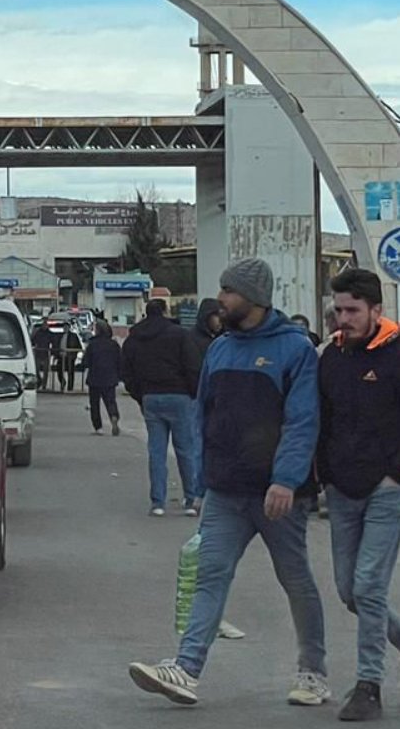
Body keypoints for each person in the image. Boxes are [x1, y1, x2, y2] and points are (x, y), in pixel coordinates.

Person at [129, 258, 328, 709]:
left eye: (228, 290)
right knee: (209, 576)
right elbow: (204, 414)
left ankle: (314, 673)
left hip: (277, 495)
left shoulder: (294, 348)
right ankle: (185, 668)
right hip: (224, 490)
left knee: (296, 581)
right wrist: (201, 476)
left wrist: (286, 479)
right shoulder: (220, 349)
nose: (220, 298)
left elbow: (302, 422)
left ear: (254, 298)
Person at [318, 268, 400, 721]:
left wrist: (395, 475)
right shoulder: (331, 356)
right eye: (339, 309)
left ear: (375, 310)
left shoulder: (396, 353)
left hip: (388, 491)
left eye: (352, 310)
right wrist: (320, 477)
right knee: (350, 591)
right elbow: (322, 421)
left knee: (369, 585)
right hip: (342, 490)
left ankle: (369, 685)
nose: (343, 319)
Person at [123, 296, 206, 517]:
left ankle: (158, 502)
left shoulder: (136, 337)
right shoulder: (179, 334)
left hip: (151, 397)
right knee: (185, 450)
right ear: (165, 311)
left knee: (156, 452)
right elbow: (192, 365)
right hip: (180, 397)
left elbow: (127, 370)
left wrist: (140, 395)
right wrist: (193, 393)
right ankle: (190, 500)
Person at [80, 319, 123, 436]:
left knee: (94, 404)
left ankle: (98, 427)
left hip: (95, 378)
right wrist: (119, 375)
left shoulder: (92, 344)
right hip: (110, 378)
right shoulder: (113, 344)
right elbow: (120, 361)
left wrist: (82, 366)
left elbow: (86, 362)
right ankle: (113, 416)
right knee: (110, 401)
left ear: (97, 331)